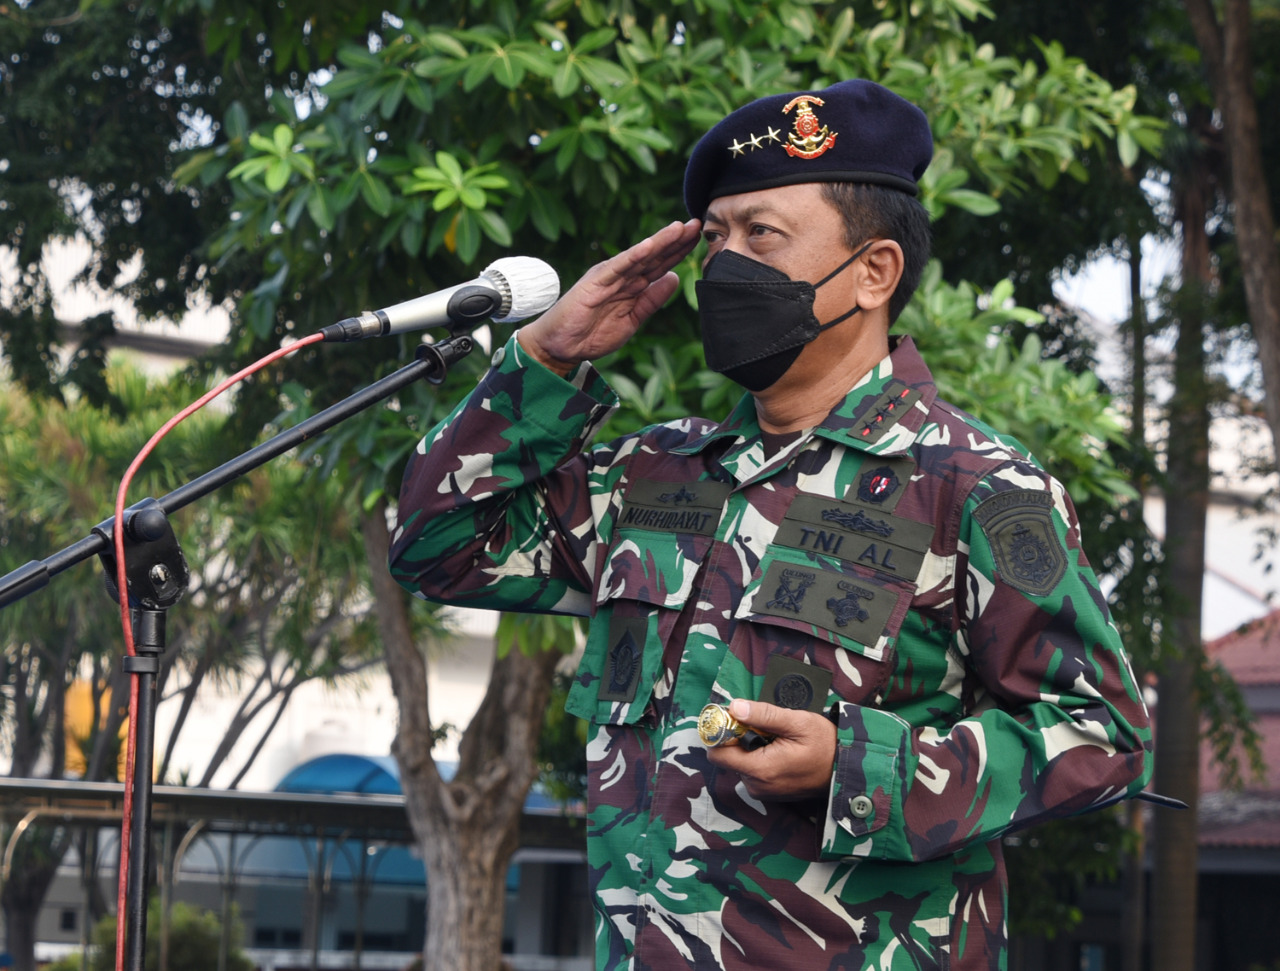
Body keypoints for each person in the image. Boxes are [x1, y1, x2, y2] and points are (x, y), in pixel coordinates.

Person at [389, 79, 1152, 971]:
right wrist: (545, 361)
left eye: (762, 235)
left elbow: (1105, 734)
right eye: (715, 237)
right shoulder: (654, 473)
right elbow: (436, 545)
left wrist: (854, 765)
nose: (725, 265)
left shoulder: (975, 487)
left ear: (873, 272)